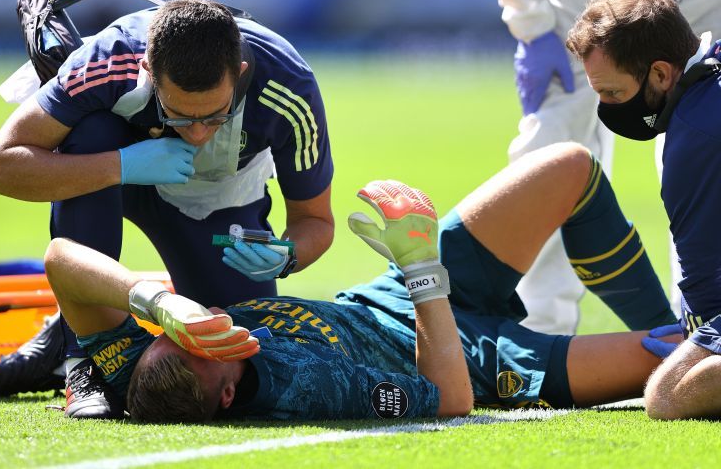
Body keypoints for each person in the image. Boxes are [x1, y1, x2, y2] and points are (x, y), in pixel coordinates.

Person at [37, 142, 679, 422]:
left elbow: (63, 258)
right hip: (473, 356)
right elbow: (449, 400)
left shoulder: (138, 376)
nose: (211, 324)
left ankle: (688, 316)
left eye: (184, 332)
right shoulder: (306, 387)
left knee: (569, 167)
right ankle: (692, 330)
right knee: (683, 363)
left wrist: (158, 303)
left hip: (385, 297)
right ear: (229, 396)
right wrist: (425, 271)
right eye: (213, 345)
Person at [0, 0, 334, 418]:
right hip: (111, 178)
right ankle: (80, 361)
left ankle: (76, 320)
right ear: (145, 69)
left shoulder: (288, 86)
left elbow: (315, 221)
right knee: (91, 130)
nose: (197, 134)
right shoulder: (109, 58)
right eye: (178, 114)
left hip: (215, 202)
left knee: (229, 358)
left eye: (216, 115)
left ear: (242, 74)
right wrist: (119, 165)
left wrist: (286, 257)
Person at [469, 0, 721, 335]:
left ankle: (706, 319)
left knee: (705, 150)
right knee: (550, 143)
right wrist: (530, 25)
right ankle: (538, 328)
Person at [565, 0, 721, 420]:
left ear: (659, 74)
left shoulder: (694, 137)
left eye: (613, 93)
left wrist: (695, 337)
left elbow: (709, 290)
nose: (607, 108)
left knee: (666, 395)